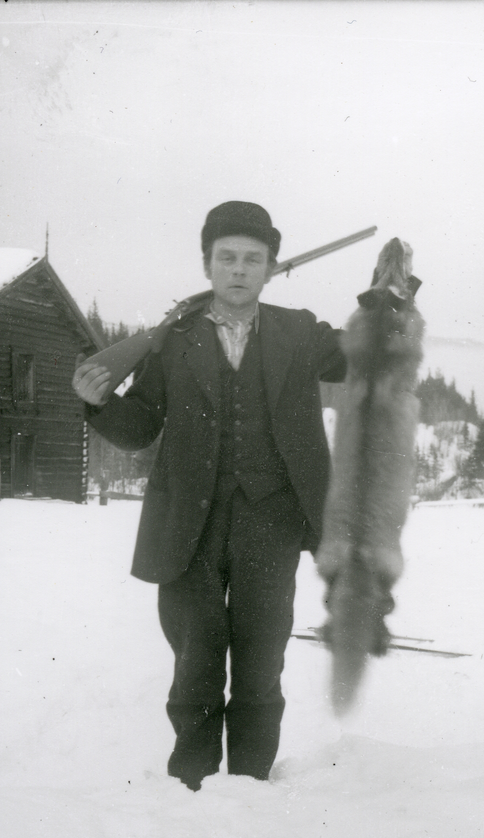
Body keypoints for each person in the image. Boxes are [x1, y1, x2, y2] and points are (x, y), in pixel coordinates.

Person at [73, 201, 347, 791]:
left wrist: (390, 300)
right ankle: (191, 786)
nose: (240, 270)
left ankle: (250, 784)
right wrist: (100, 400)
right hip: (185, 526)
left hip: (271, 523)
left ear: (271, 269)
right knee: (195, 659)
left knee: (260, 661)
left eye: (253, 259)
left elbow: (363, 356)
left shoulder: (300, 331)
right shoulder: (172, 340)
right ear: (207, 265)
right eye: (227, 258)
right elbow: (141, 425)